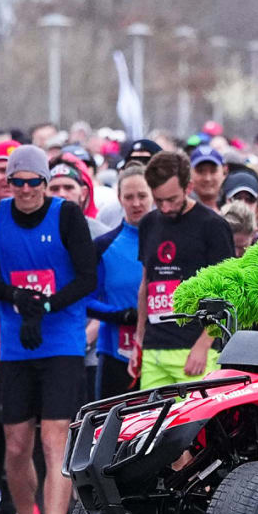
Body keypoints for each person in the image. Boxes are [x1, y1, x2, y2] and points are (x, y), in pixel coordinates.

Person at [0, 145, 99, 514]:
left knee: (53, 439)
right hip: (15, 345)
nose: (26, 190)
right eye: (17, 182)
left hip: (61, 341)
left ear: (45, 182)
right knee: (15, 446)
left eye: (33, 182)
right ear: (7, 183)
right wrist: (17, 298)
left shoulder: (66, 214)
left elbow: (86, 279)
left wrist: (45, 305)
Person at [131, 151, 237, 389]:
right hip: (155, 349)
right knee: (151, 424)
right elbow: (146, 282)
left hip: (196, 348)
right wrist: (139, 338)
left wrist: (205, 344)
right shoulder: (148, 223)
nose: (166, 208)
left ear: (188, 187)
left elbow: (227, 289)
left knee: (197, 425)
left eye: (172, 199)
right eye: (159, 201)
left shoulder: (212, 225)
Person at [86, 166, 151, 398]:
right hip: (115, 353)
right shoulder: (104, 246)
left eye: (142, 196)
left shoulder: (168, 242)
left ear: (153, 194)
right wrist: (122, 315)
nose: (136, 204)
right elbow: (87, 301)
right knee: (111, 431)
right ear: (119, 198)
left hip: (159, 354)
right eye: (129, 197)